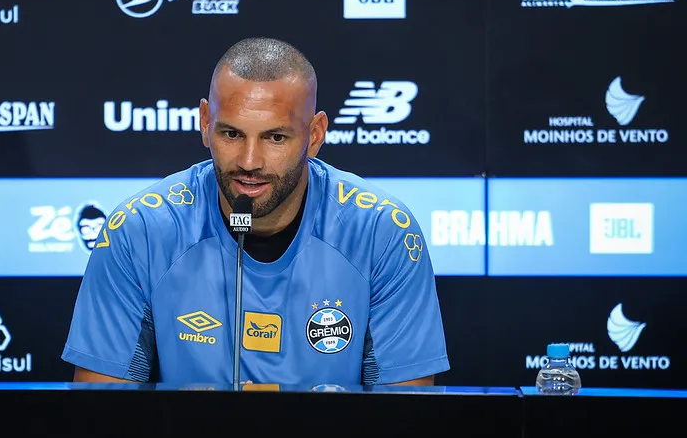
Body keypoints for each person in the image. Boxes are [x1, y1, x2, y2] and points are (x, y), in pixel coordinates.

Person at [61, 37, 449, 387]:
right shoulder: (140, 228)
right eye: (231, 134)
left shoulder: (382, 231)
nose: (249, 161)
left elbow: (404, 424)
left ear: (315, 135)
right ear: (205, 123)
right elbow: (104, 415)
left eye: (275, 137)